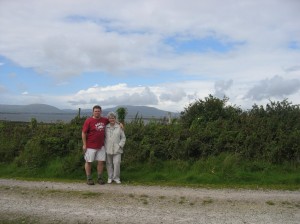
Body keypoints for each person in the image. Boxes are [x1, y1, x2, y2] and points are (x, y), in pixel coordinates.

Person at [82, 105, 109, 185]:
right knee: (88, 162)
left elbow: (112, 120)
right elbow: (83, 133)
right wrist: (84, 144)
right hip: (90, 146)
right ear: (93, 112)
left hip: (101, 145)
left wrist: (120, 123)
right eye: (95, 111)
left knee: (101, 162)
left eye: (98, 111)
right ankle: (89, 179)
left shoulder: (104, 120)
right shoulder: (88, 120)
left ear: (101, 112)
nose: (97, 112)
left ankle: (100, 178)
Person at [105, 112, 126, 184]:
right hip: (108, 148)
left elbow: (123, 138)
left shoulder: (119, 127)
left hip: (117, 149)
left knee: (116, 163)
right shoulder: (106, 127)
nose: (112, 119)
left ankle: (116, 178)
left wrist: (120, 145)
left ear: (115, 118)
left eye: (113, 118)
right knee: (109, 163)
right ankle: (110, 178)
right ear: (108, 119)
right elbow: (103, 137)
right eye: (110, 118)